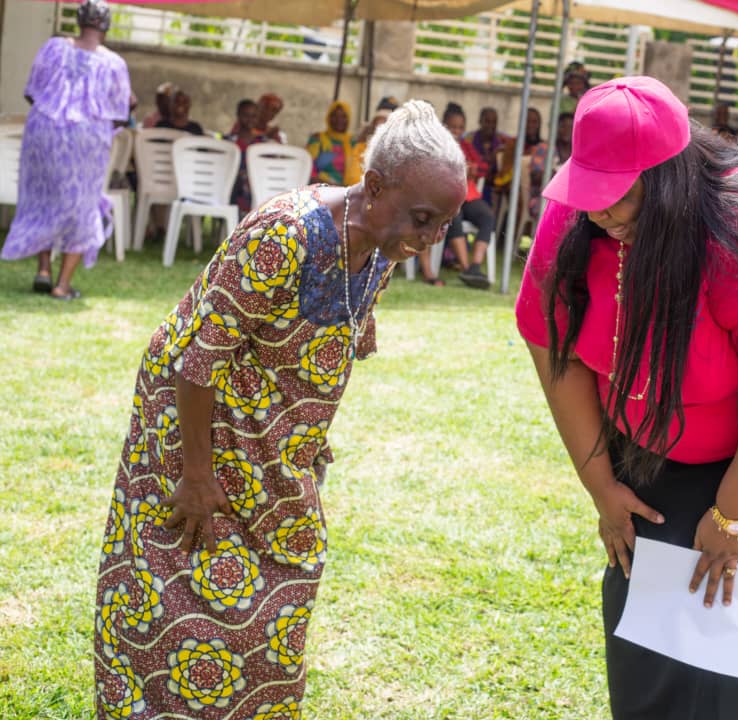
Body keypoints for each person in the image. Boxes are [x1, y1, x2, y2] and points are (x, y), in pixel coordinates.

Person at [93, 100, 466, 717]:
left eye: (444, 225)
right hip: (194, 420)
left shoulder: (379, 247)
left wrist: (309, 438)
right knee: (178, 575)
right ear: (374, 186)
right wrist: (195, 473)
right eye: (423, 218)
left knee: (286, 576)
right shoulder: (283, 234)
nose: (430, 239)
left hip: (274, 434)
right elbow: (197, 359)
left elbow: (333, 350)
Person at [515, 76, 738, 720]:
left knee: (736, 597)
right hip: (651, 411)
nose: (600, 212)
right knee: (645, 583)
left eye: (619, 194)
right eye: (589, 191)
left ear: (670, 175)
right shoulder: (577, 214)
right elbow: (553, 349)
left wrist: (733, 516)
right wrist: (601, 486)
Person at [0, 0, 131, 301]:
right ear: (106, 27)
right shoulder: (114, 64)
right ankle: (62, 286)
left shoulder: (54, 47)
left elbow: (32, 91)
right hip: (88, 138)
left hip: (44, 130)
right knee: (82, 204)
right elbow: (120, 112)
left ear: (79, 21)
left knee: (42, 196)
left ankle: (44, 269)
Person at [438, 103, 497, 288]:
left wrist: (473, 168)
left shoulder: (466, 146)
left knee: (488, 216)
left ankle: (475, 266)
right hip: (446, 196)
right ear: (443, 126)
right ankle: (465, 268)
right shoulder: (437, 146)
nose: (456, 131)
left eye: (460, 127)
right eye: (452, 127)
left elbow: (483, 167)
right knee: (454, 218)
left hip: (468, 194)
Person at [224, 98, 266, 214]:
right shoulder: (229, 141)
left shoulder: (263, 142)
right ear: (238, 115)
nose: (250, 119)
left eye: (254, 116)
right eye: (246, 115)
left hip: (257, 185)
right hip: (232, 186)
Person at [307, 100, 361, 187]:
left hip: (349, 190)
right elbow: (309, 168)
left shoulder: (353, 143)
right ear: (328, 117)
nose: (339, 120)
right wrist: (331, 186)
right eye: (334, 115)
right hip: (321, 188)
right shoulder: (317, 139)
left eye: (344, 116)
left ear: (349, 118)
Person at [464, 107, 510, 206]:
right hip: (473, 183)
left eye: (494, 122)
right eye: (487, 121)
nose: (491, 125)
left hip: (494, 185)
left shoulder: (502, 141)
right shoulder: (469, 140)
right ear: (480, 122)